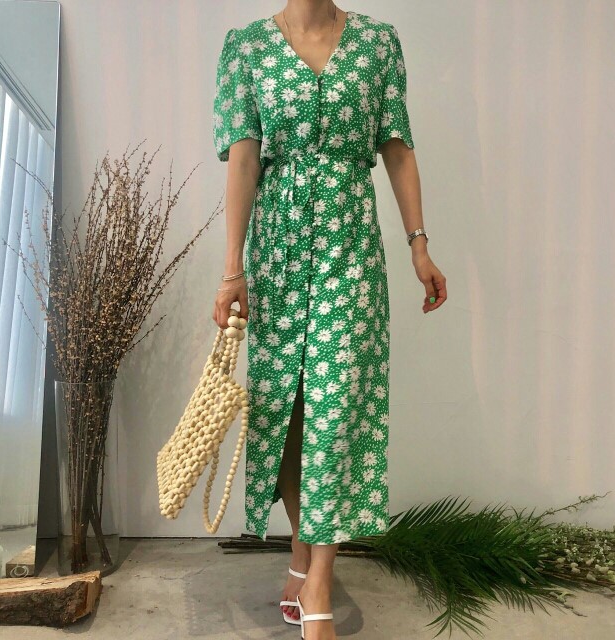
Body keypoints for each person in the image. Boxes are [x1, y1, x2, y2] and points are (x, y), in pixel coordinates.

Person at [212, 2, 445, 637]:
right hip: (279, 249)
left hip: (350, 244)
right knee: (286, 412)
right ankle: (302, 544)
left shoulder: (377, 44)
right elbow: (243, 161)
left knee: (337, 406)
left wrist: (419, 246)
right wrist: (233, 270)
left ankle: (319, 575)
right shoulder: (247, 48)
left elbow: (397, 149)